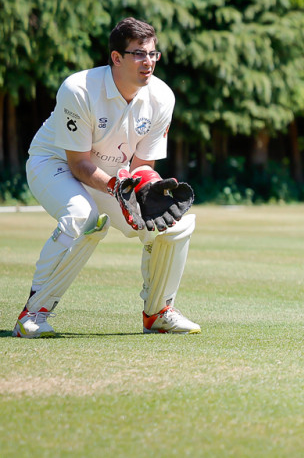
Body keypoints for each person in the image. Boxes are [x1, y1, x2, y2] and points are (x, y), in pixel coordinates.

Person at [15, 17, 200, 338]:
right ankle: (33, 315)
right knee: (85, 218)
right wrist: (118, 187)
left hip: (112, 176)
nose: (149, 62)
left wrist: (146, 187)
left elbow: (143, 164)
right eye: (139, 54)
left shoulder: (162, 97)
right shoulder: (79, 89)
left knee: (175, 226)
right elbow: (78, 164)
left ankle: (157, 312)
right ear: (116, 58)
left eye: (153, 54)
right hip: (54, 163)